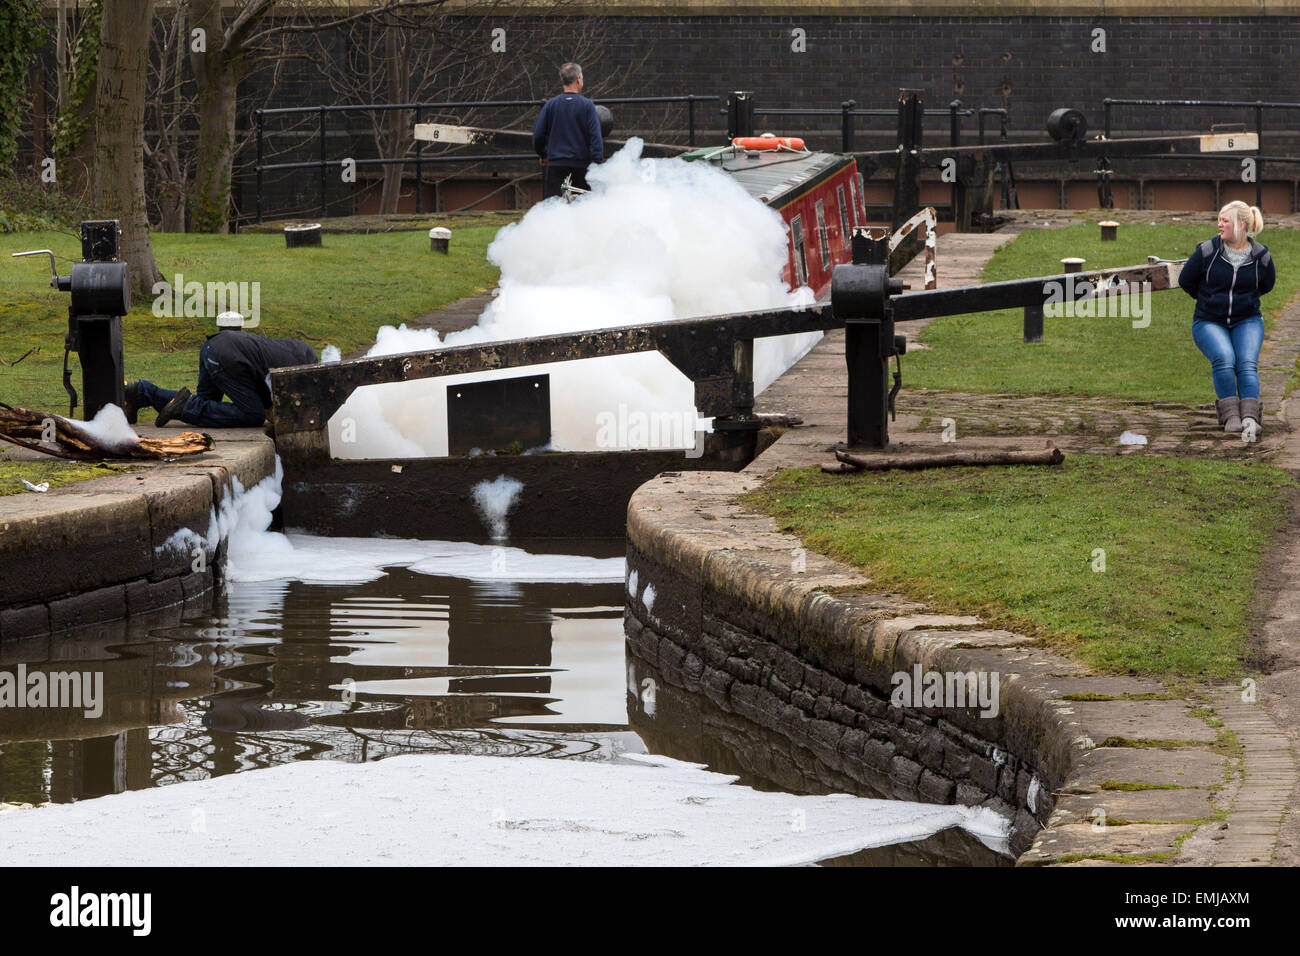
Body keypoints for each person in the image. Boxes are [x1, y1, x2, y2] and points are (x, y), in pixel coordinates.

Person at [1178, 201, 1276, 437]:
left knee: (1246, 363)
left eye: (1225, 220)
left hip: (1248, 319)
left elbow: (1267, 285)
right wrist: (1208, 300)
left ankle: (1250, 417)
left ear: (1241, 224)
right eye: (1219, 219)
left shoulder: (1261, 256)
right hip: (1209, 320)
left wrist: (1244, 302)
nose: (1219, 224)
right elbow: (1186, 280)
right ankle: (1231, 415)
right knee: (1224, 358)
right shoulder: (1207, 251)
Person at [123, 316, 317, 428]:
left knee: (206, 406)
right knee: (253, 415)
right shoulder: (303, 367)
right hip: (229, 357)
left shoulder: (298, 351)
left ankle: (141, 392)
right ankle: (182, 407)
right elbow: (269, 404)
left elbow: (263, 386)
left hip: (213, 346)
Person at [532, 62, 603, 200]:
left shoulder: (550, 105)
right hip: (582, 166)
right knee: (582, 207)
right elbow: (595, 137)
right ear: (578, 79)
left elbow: (538, 135)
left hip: (557, 165)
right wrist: (597, 164)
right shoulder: (587, 105)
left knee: (556, 207)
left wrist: (543, 154)